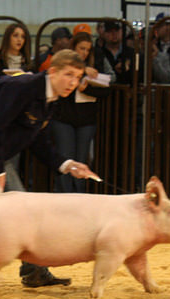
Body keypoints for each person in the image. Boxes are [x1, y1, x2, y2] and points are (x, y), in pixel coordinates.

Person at [0, 50, 99, 292]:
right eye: (69, 75)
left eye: (78, 77)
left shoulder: (50, 98)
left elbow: (38, 140)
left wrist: (66, 164)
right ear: (52, 71)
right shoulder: (23, 87)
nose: (73, 83)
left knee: (22, 211)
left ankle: (34, 272)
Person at [51, 31, 111, 193]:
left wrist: (87, 88)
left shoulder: (95, 67)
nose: (84, 52)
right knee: (65, 157)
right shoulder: (66, 65)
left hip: (86, 119)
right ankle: (64, 194)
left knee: (82, 159)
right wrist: (82, 73)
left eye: (87, 49)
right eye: (81, 48)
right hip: (64, 117)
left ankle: (79, 194)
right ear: (74, 47)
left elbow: (106, 90)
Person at [0, 22, 32, 87]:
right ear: (8, 38)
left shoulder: (29, 64)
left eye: (23, 37)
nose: (19, 39)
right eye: (15, 35)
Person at [95, 19, 135, 85]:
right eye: (109, 31)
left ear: (122, 32)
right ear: (103, 34)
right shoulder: (98, 53)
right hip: (105, 90)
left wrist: (128, 69)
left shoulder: (132, 53)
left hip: (127, 89)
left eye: (117, 30)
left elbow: (138, 77)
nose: (114, 34)